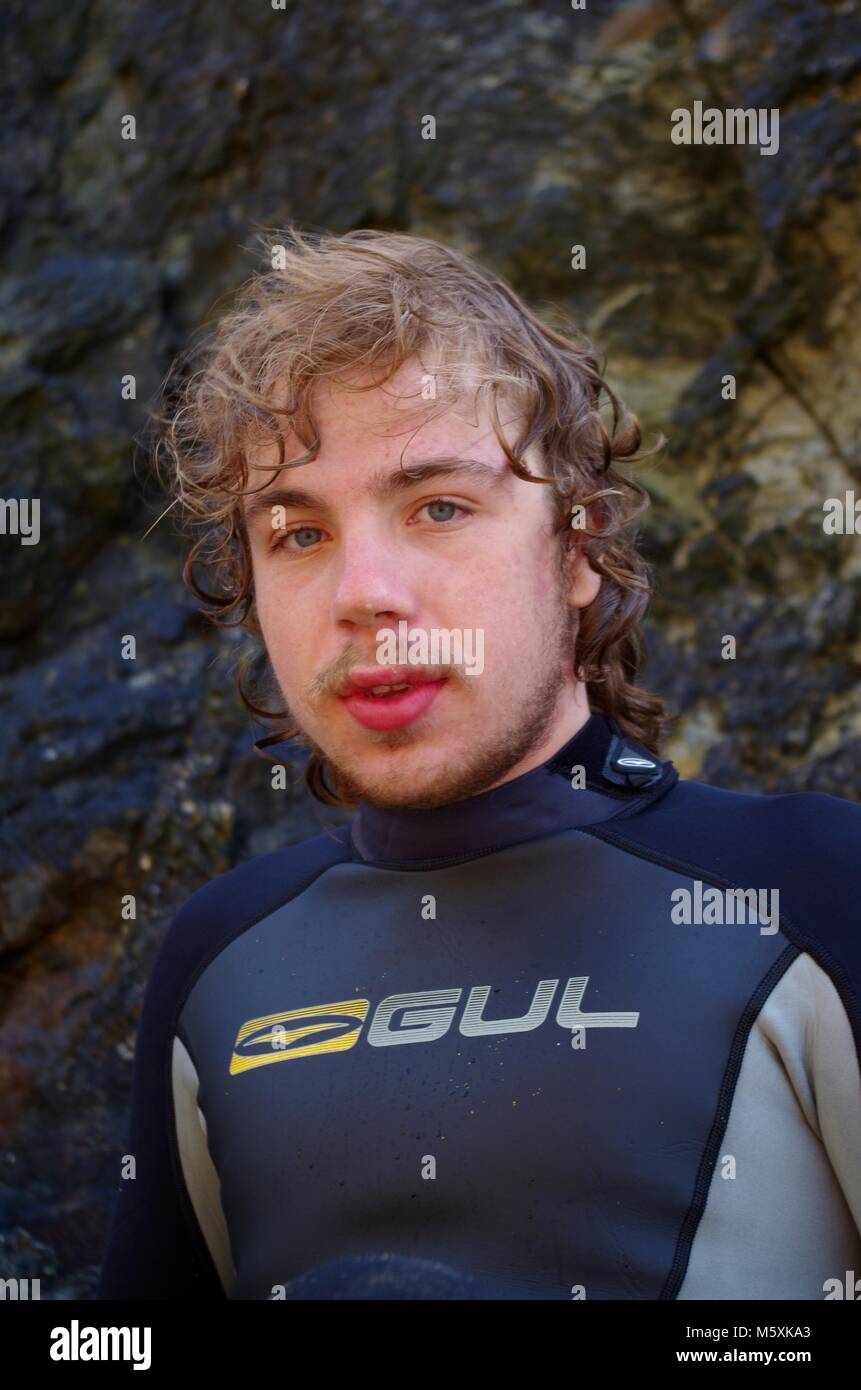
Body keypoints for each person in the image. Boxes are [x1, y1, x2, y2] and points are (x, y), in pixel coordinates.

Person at [98, 226, 861, 1300]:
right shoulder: (216, 959)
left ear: (579, 546)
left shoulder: (814, 886)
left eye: (439, 507)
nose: (363, 593)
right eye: (297, 532)